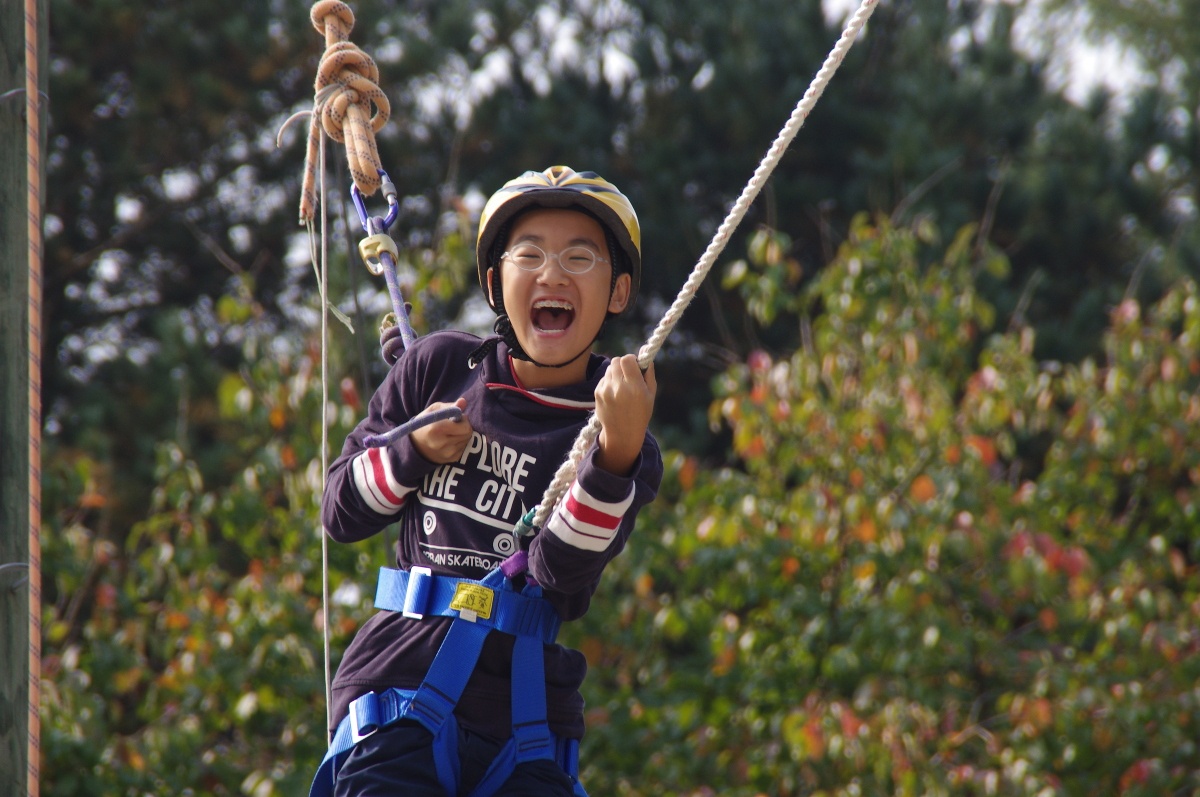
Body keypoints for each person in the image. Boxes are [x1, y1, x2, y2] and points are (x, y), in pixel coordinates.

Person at [311, 165, 663, 797]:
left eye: (579, 258)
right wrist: (411, 449)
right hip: (402, 684)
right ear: (497, 284)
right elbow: (341, 512)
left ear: (617, 292)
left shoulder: (617, 427)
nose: (552, 274)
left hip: (524, 719)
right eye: (529, 254)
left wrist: (615, 456)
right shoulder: (440, 370)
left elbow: (560, 574)